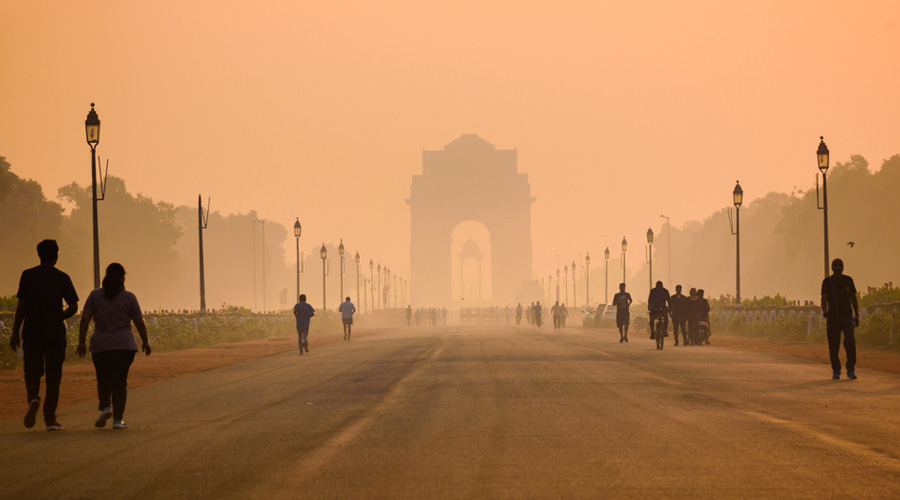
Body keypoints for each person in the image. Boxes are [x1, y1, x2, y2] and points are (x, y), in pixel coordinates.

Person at [9, 240, 78, 431]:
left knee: (32, 371)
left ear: (39, 255)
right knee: (53, 376)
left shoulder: (28, 275)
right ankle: (50, 419)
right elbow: (73, 306)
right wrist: (59, 316)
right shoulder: (62, 277)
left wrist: (15, 332)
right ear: (56, 255)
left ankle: (33, 398)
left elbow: (21, 307)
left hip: (32, 332)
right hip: (55, 333)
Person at [76, 263, 151, 430]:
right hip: (124, 346)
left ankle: (105, 407)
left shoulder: (95, 296)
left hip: (100, 345)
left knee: (103, 378)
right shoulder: (129, 297)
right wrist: (145, 342)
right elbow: (139, 323)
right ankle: (118, 420)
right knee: (120, 382)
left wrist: (81, 342)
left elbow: (85, 320)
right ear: (122, 278)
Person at [821, 258, 860, 380]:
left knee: (850, 341)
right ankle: (836, 370)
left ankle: (851, 368)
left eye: (840, 265)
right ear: (832, 268)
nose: (838, 267)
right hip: (833, 317)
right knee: (833, 345)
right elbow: (824, 298)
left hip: (847, 316)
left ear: (843, 267)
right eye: (835, 265)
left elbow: (853, 297)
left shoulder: (848, 280)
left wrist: (857, 314)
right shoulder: (827, 282)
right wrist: (824, 310)